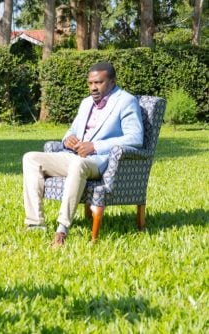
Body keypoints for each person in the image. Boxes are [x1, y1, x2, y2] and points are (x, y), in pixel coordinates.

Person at [22, 62, 144, 247]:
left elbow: (135, 137)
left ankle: (62, 229)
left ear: (112, 82)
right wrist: (68, 139)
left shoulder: (126, 101)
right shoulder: (86, 103)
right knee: (31, 158)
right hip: (73, 155)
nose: (93, 87)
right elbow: (71, 130)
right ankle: (35, 224)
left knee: (78, 165)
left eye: (99, 82)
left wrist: (95, 146)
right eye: (90, 83)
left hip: (99, 161)